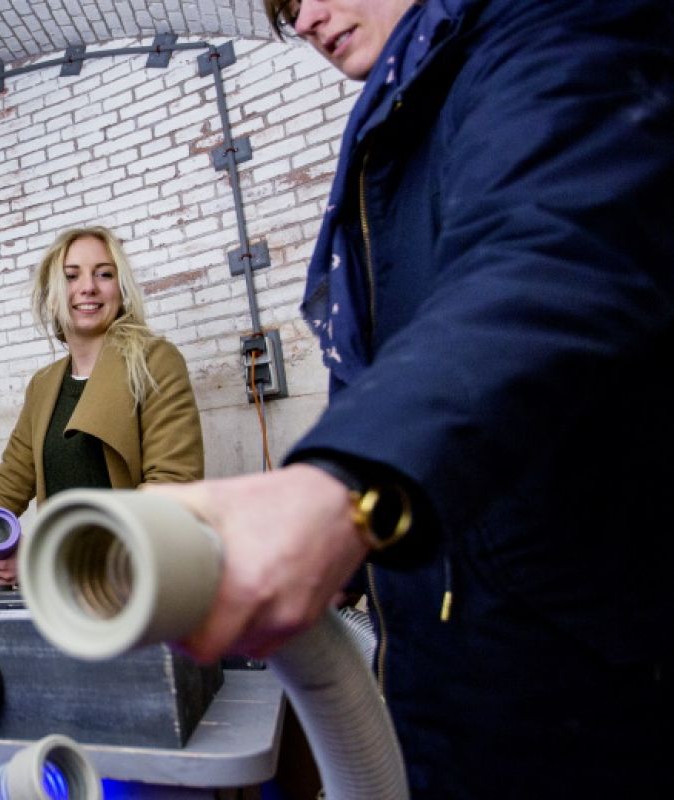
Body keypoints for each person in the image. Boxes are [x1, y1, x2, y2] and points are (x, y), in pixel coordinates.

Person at [151, 0, 673, 795]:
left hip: (577, 681)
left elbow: (549, 259)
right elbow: (384, 370)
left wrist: (340, 483)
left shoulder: (554, 31)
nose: (307, 18)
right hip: (451, 661)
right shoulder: (401, 115)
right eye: (287, 7)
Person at [0, 226, 204, 600]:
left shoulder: (155, 361)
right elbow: (7, 488)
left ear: (122, 289)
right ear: (51, 296)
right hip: (67, 596)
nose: (88, 287)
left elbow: (172, 489)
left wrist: (44, 557)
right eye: (71, 276)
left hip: (137, 588)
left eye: (104, 273)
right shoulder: (45, 384)